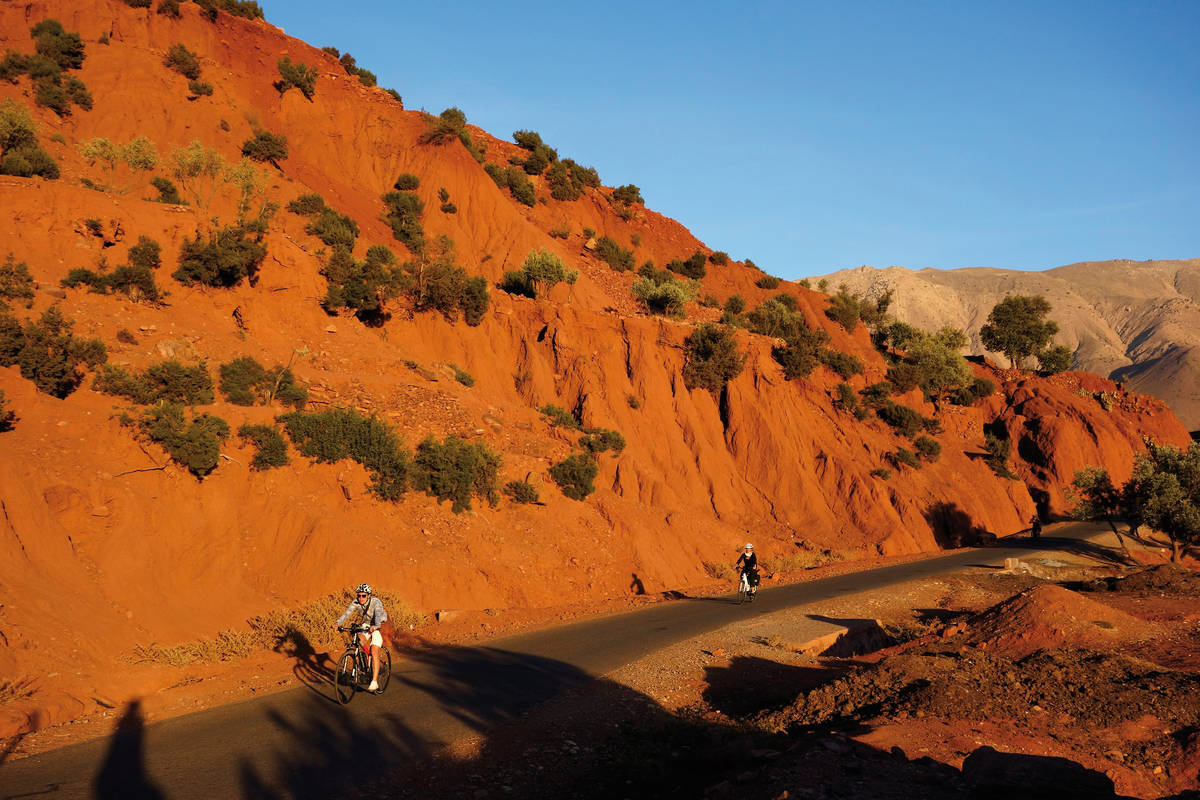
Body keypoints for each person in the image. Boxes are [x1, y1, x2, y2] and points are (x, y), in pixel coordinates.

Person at [334, 582, 388, 692]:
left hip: (379, 624)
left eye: (363, 595)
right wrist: (337, 623)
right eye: (359, 595)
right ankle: (365, 662)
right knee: (358, 638)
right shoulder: (355, 602)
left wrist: (376, 625)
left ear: (369, 595)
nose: (360, 598)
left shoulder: (376, 601)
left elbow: (378, 614)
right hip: (367, 624)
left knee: (374, 651)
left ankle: (374, 681)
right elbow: (346, 614)